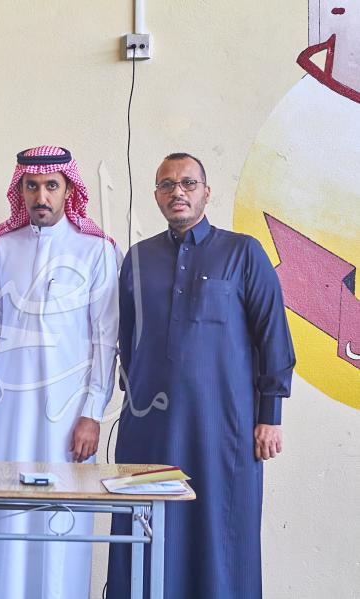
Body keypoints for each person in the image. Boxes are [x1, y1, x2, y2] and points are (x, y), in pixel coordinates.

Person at [107, 153, 296, 598]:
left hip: (224, 429)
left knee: (223, 533)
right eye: (167, 184)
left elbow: (274, 337)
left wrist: (270, 415)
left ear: (206, 192)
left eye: (188, 183)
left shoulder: (243, 253)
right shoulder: (138, 259)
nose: (178, 192)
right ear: (156, 195)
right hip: (149, 430)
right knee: (146, 529)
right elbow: (127, 338)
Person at [0, 145, 118, 599]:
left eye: (52, 185)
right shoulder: (0, 248)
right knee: (5, 510)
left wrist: (93, 412)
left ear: (69, 189)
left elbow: (105, 339)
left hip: (67, 413)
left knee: (60, 516)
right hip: (8, 409)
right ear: (20, 191)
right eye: (31, 186)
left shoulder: (96, 250)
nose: (41, 196)